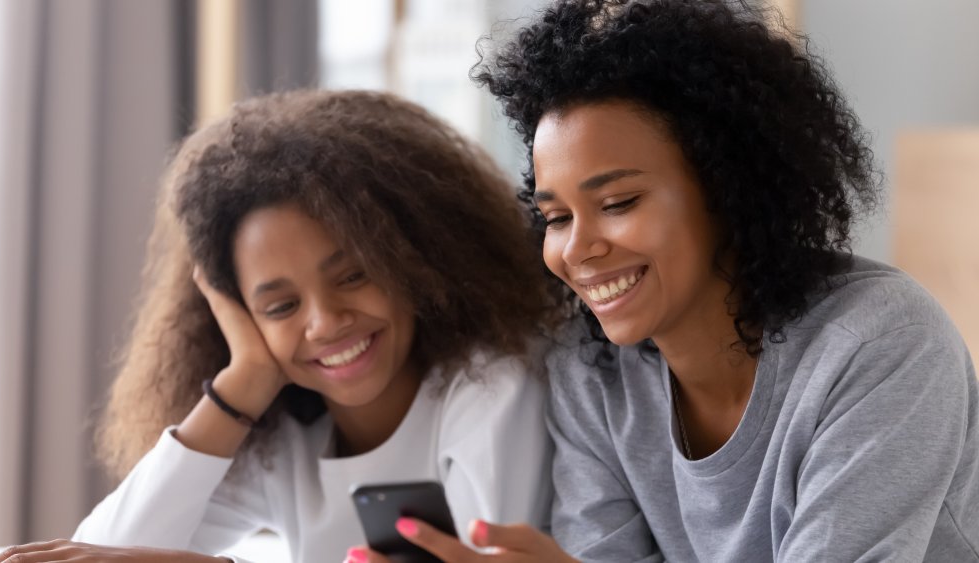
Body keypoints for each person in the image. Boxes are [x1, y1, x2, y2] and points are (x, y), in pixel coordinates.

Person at [366, 1, 979, 561]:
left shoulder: (879, 345)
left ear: (728, 189)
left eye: (619, 201)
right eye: (555, 217)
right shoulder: (593, 375)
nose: (576, 249)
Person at [0, 89, 556, 563]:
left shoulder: (491, 389)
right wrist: (245, 380)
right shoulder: (285, 441)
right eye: (281, 306)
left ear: (411, 258)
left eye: (354, 275)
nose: (325, 321)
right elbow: (99, 555)